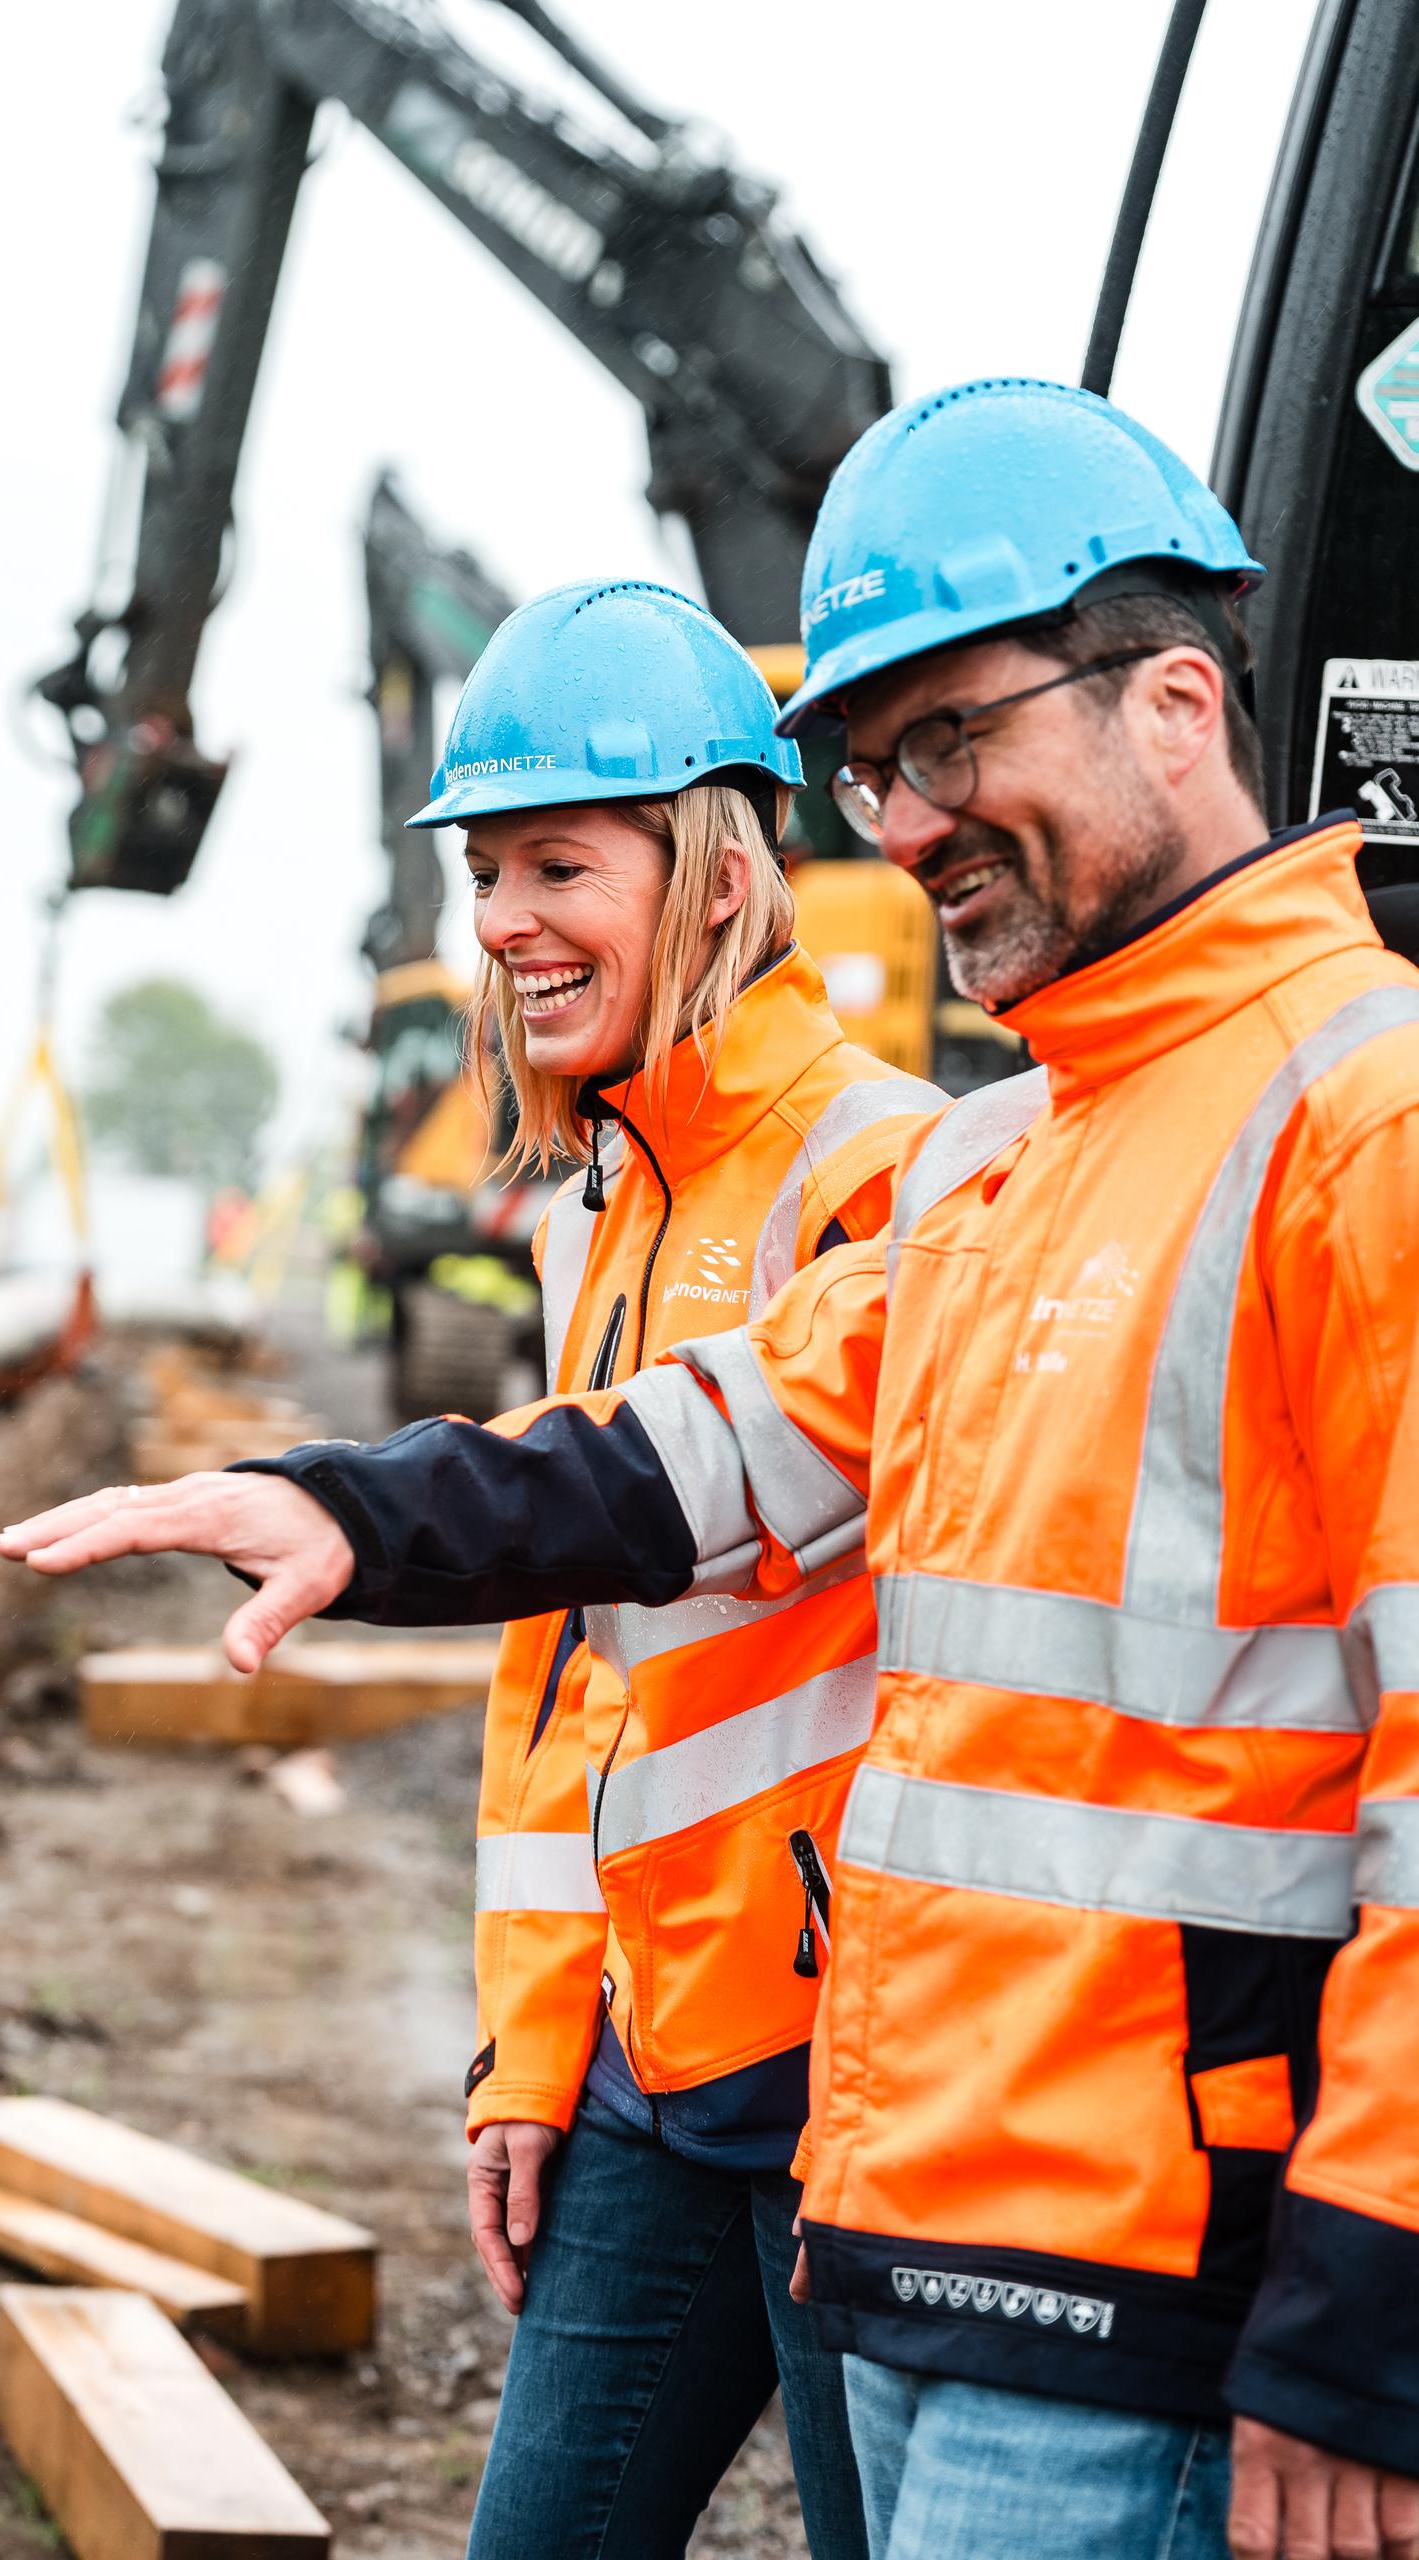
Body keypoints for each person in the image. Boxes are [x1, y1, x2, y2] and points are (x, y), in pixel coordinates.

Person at [0, 381, 1419, 2560]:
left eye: (951, 742)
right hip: (906, 2216)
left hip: (1147, 2293)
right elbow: (703, 1446)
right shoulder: (1007, 1159)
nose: (908, 818)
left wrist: (1368, 2303)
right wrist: (352, 1508)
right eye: (874, 766)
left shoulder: (1403, 1132)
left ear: (1174, 702)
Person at [360, 578, 935, 2560]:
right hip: (649, 2060)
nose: (504, 915)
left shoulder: (885, 1174)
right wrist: (533, 2039)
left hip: (858, 2080)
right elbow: (564, 1674)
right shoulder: (595, 1202)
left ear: (708, 873)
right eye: (485, 868)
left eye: (559, 861)